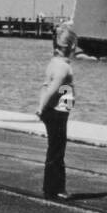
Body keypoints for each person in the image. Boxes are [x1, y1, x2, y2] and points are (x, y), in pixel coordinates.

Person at [36, 23, 78, 200]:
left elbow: (45, 86)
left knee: (54, 149)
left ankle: (51, 186)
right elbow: (54, 88)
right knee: (57, 151)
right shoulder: (64, 67)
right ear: (71, 46)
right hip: (57, 112)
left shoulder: (54, 63)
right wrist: (42, 107)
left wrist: (41, 105)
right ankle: (56, 188)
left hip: (56, 110)